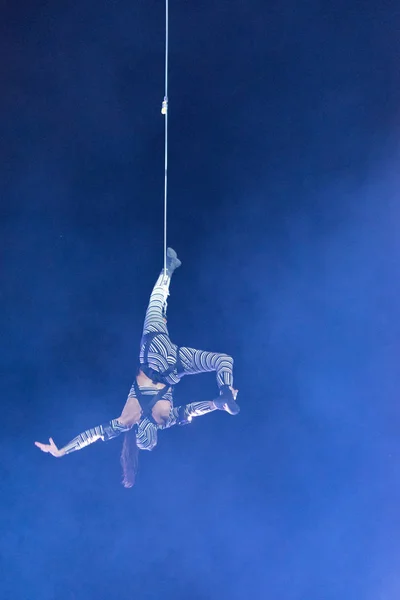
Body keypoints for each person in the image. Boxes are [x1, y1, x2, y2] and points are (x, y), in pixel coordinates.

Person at [35, 248, 240, 487]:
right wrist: (62, 450)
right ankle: (167, 269)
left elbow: (193, 409)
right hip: (153, 353)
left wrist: (217, 404)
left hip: (174, 365)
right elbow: (93, 435)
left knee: (223, 360)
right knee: (154, 305)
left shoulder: (164, 420)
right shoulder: (126, 420)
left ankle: (226, 390)